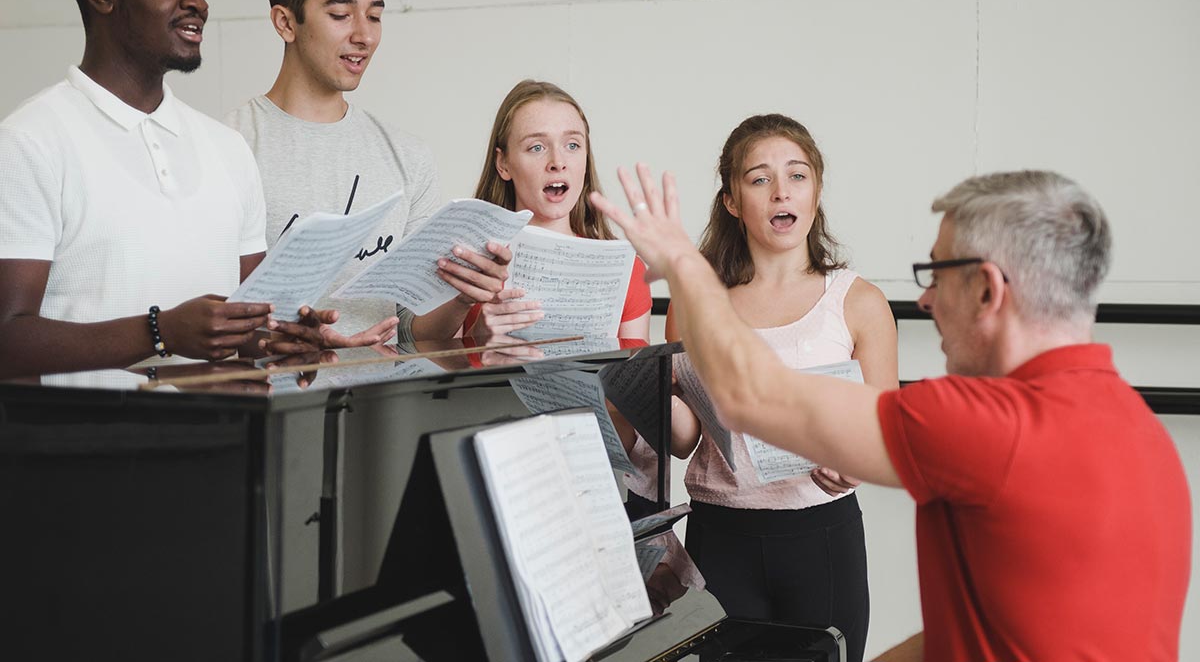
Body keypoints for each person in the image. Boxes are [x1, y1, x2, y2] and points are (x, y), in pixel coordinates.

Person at [592, 166, 1191, 661]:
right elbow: (965, 638)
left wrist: (685, 265)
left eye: (935, 272)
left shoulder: (988, 424)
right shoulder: (1140, 430)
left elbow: (754, 398)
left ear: (988, 289)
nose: (925, 300)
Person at [0, 0, 280, 379]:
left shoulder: (228, 149)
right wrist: (159, 330)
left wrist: (288, 336)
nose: (198, 3)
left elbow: (250, 328)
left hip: (224, 445)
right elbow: (7, 337)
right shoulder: (28, 142)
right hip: (82, 448)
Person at [663, 114, 896, 662]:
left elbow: (887, 430)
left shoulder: (859, 301)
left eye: (796, 175)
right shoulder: (693, 301)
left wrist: (855, 462)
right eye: (759, 178)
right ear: (731, 200)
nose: (780, 191)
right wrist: (642, 389)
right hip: (719, 535)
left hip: (821, 535)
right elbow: (682, 439)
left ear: (815, 190)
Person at [226, 0, 511, 348]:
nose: (364, 35)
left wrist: (462, 297)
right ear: (285, 22)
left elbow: (414, 330)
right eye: (341, 15)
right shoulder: (227, 147)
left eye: (375, 16)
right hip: (267, 406)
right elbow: (208, 315)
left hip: (382, 407)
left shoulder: (407, 157)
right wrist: (292, 340)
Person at [463, 79, 651, 341]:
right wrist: (476, 340)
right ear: (503, 163)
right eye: (536, 147)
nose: (558, 162)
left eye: (572, 145)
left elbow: (637, 378)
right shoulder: (467, 262)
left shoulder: (627, 270)